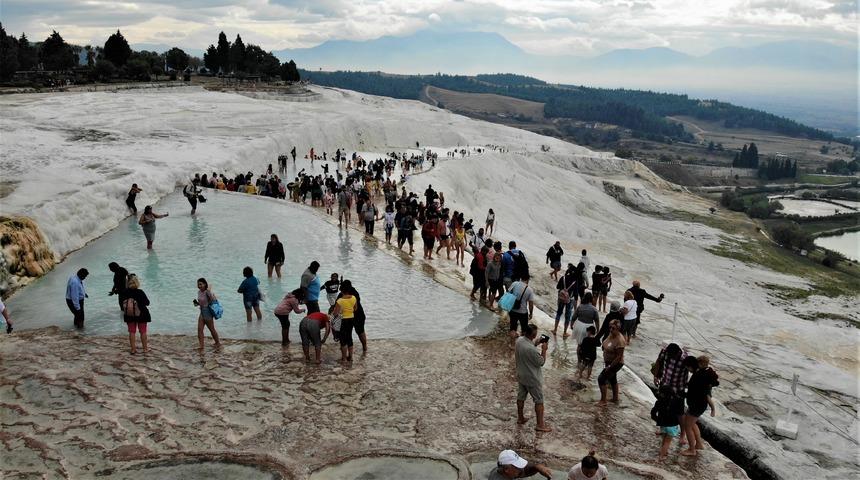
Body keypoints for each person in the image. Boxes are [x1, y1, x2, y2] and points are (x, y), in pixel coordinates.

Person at [515, 323, 551, 432]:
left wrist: (537, 343)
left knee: (521, 397)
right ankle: (540, 425)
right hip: (532, 378)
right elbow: (541, 362)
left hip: (521, 375)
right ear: (533, 335)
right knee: (539, 401)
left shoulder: (519, 340)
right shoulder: (531, 349)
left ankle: (520, 418)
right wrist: (544, 349)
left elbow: (530, 346)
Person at [680, 355, 719, 456]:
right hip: (700, 404)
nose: (687, 370)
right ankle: (699, 444)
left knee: (687, 426)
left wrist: (682, 393)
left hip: (697, 405)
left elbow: (694, 391)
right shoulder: (704, 373)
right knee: (692, 423)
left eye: (687, 368)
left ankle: (692, 450)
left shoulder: (698, 376)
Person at [597, 319, 626, 406]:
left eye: (613, 328)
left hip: (615, 363)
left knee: (601, 378)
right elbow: (606, 343)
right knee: (613, 379)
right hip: (608, 361)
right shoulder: (611, 334)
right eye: (610, 327)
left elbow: (619, 357)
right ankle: (615, 398)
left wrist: (609, 367)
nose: (610, 330)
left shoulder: (620, 340)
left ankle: (603, 400)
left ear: (618, 329)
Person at [652, 384, 685, 460]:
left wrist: (656, 419)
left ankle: (663, 451)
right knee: (668, 441)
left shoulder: (659, 401)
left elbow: (653, 412)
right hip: (672, 425)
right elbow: (680, 414)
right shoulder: (677, 402)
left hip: (663, 424)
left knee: (664, 439)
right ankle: (662, 456)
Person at [122, 274, 151, 354]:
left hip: (129, 315)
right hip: (142, 315)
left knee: (132, 332)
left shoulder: (125, 292)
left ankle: (133, 349)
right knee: (143, 332)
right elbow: (147, 303)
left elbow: (122, 305)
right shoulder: (140, 292)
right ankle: (145, 349)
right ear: (137, 283)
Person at [193, 278, 221, 350]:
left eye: (200, 284)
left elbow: (213, 300)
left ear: (204, 284)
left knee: (212, 329)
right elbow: (202, 302)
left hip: (208, 312)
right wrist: (197, 304)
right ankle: (201, 346)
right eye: (198, 284)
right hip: (202, 312)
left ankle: (217, 342)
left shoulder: (207, 292)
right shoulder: (199, 292)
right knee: (199, 330)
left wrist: (210, 292)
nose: (199, 286)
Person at [332, 282, 357, 362]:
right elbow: (355, 308)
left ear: (341, 290)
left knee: (343, 339)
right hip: (351, 319)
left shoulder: (340, 301)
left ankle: (344, 358)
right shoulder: (353, 297)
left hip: (343, 320)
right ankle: (351, 357)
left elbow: (335, 313)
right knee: (349, 337)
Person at [507, 273, 534, 339]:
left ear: (521, 278)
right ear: (528, 279)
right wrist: (531, 313)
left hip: (512, 309)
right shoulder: (529, 290)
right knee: (524, 329)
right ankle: (521, 343)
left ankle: (512, 344)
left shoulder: (514, 283)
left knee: (513, 328)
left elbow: (508, 293)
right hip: (523, 312)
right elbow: (531, 304)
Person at [553, 264, 577, 336]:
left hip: (561, 299)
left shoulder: (563, 278)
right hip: (570, 300)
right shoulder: (575, 281)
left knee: (559, 313)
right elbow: (576, 293)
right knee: (568, 315)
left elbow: (557, 287)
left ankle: (555, 330)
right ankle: (564, 332)